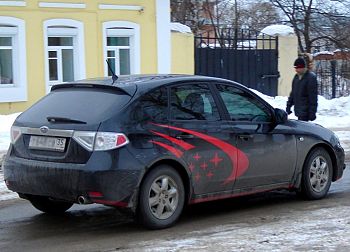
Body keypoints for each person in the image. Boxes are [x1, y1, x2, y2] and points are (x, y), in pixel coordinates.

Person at [286, 57, 318, 121]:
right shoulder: (296, 77)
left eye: (298, 68)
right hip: (299, 111)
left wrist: (312, 112)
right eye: (295, 68)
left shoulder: (310, 78)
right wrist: (288, 106)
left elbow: (313, 97)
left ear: (303, 67)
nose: (296, 70)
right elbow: (293, 93)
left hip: (306, 112)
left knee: (304, 130)